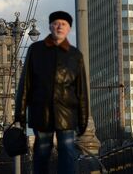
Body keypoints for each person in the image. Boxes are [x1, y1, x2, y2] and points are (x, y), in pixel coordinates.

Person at [15, 11, 89, 174]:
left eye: (64, 24)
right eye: (56, 23)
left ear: (69, 28)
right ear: (50, 26)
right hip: (42, 113)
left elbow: (81, 91)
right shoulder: (35, 50)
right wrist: (19, 114)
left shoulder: (75, 55)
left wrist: (83, 120)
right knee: (42, 152)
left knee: (68, 152)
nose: (60, 27)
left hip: (66, 114)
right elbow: (25, 84)